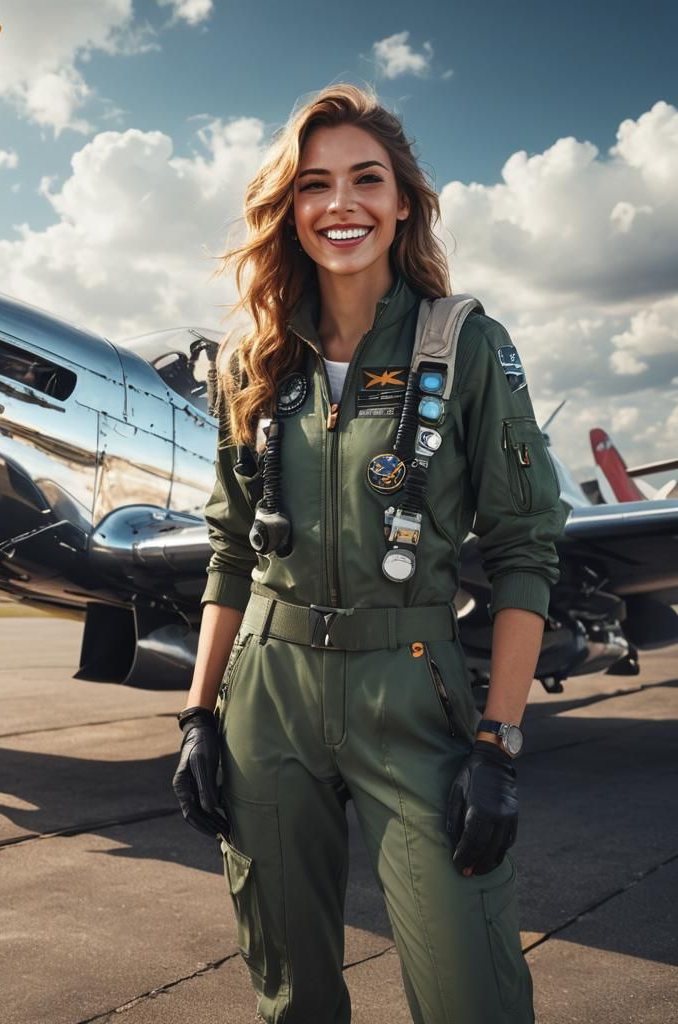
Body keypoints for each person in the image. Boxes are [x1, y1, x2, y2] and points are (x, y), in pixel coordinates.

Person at [172, 83, 567, 1024]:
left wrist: (499, 745)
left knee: (471, 994)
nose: (339, 204)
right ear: (289, 209)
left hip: (411, 687)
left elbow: (525, 550)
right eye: (314, 185)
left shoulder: (466, 346)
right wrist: (197, 715)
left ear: (403, 202)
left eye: (366, 180)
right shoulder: (250, 358)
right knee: (291, 994)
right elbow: (230, 550)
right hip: (267, 695)